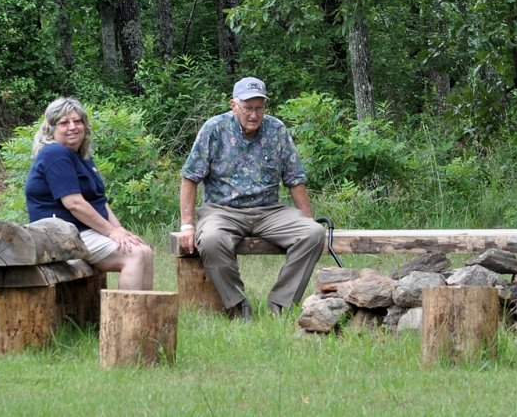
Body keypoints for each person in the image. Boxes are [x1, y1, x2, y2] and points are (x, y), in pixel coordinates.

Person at [176, 77, 326, 320]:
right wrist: (187, 224)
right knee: (212, 240)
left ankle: (281, 305)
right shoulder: (214, 129)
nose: (254, 115)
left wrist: (308, 219)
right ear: (233, 105)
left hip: (269, 210)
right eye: (248, 108)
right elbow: (189, 177)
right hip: (221, 210)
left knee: (313, 234)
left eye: (259, 108)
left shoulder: (277, 130)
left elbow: (295, 178)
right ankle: (238, 305)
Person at [25, 97, 154, 290]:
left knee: (145, 251)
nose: (72, 127)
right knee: (134, 255)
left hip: (81, 230)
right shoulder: (55, 154)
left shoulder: (80, 155)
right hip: (57, 234)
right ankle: (126, 320)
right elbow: (74, 203)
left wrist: (120, 231)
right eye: (64, 122)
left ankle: (146, 317)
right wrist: (111, 232)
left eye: (77, 121)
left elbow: (99, 201)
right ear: (51, 128)